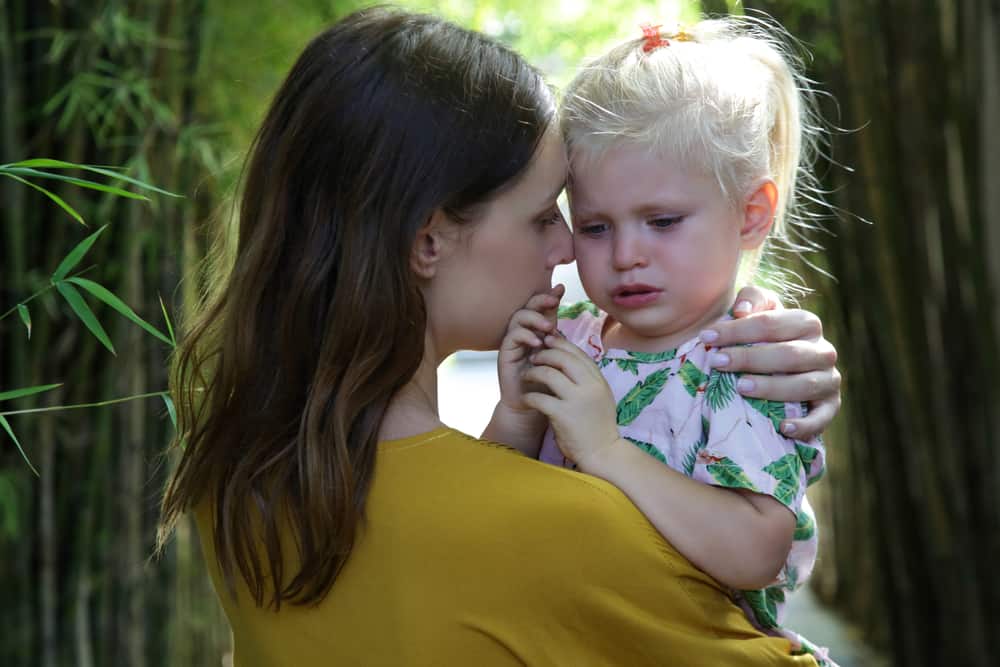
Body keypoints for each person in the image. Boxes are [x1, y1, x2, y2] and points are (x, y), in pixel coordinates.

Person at [156, 7, 842, 665]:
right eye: (549, 216)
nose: (572, 249)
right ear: (428, 241)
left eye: (659, 221)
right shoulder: (556, 530)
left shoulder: (239, 486)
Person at [493, 17, 836, 666]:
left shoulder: (749, 361)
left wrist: (605, 449)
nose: (626, 254)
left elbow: (756, 552)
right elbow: (493, 503)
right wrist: (514, 413)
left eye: (662, 221)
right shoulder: (573, 343)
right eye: (595, 226)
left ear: (752, 212)